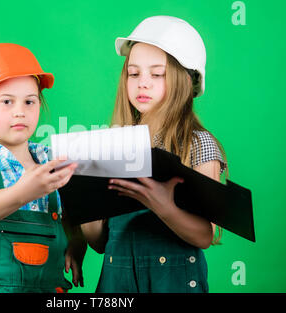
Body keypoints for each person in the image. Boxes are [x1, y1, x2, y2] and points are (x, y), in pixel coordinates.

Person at [81, 16, 227, 293]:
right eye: (134, 74)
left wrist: (164, 206)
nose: (142, 83)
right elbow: (99, 243)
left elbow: (204, 235)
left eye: (156, 74)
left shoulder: (198, 144)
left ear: (185, 79)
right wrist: (85, 203)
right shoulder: (114, 146)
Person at [0, 43, 86, 293]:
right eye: (7, 102)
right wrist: (26, 191)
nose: (20, 112)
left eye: (29, 102)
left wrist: (75, 241)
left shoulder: (53, 161)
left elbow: (72, 212)